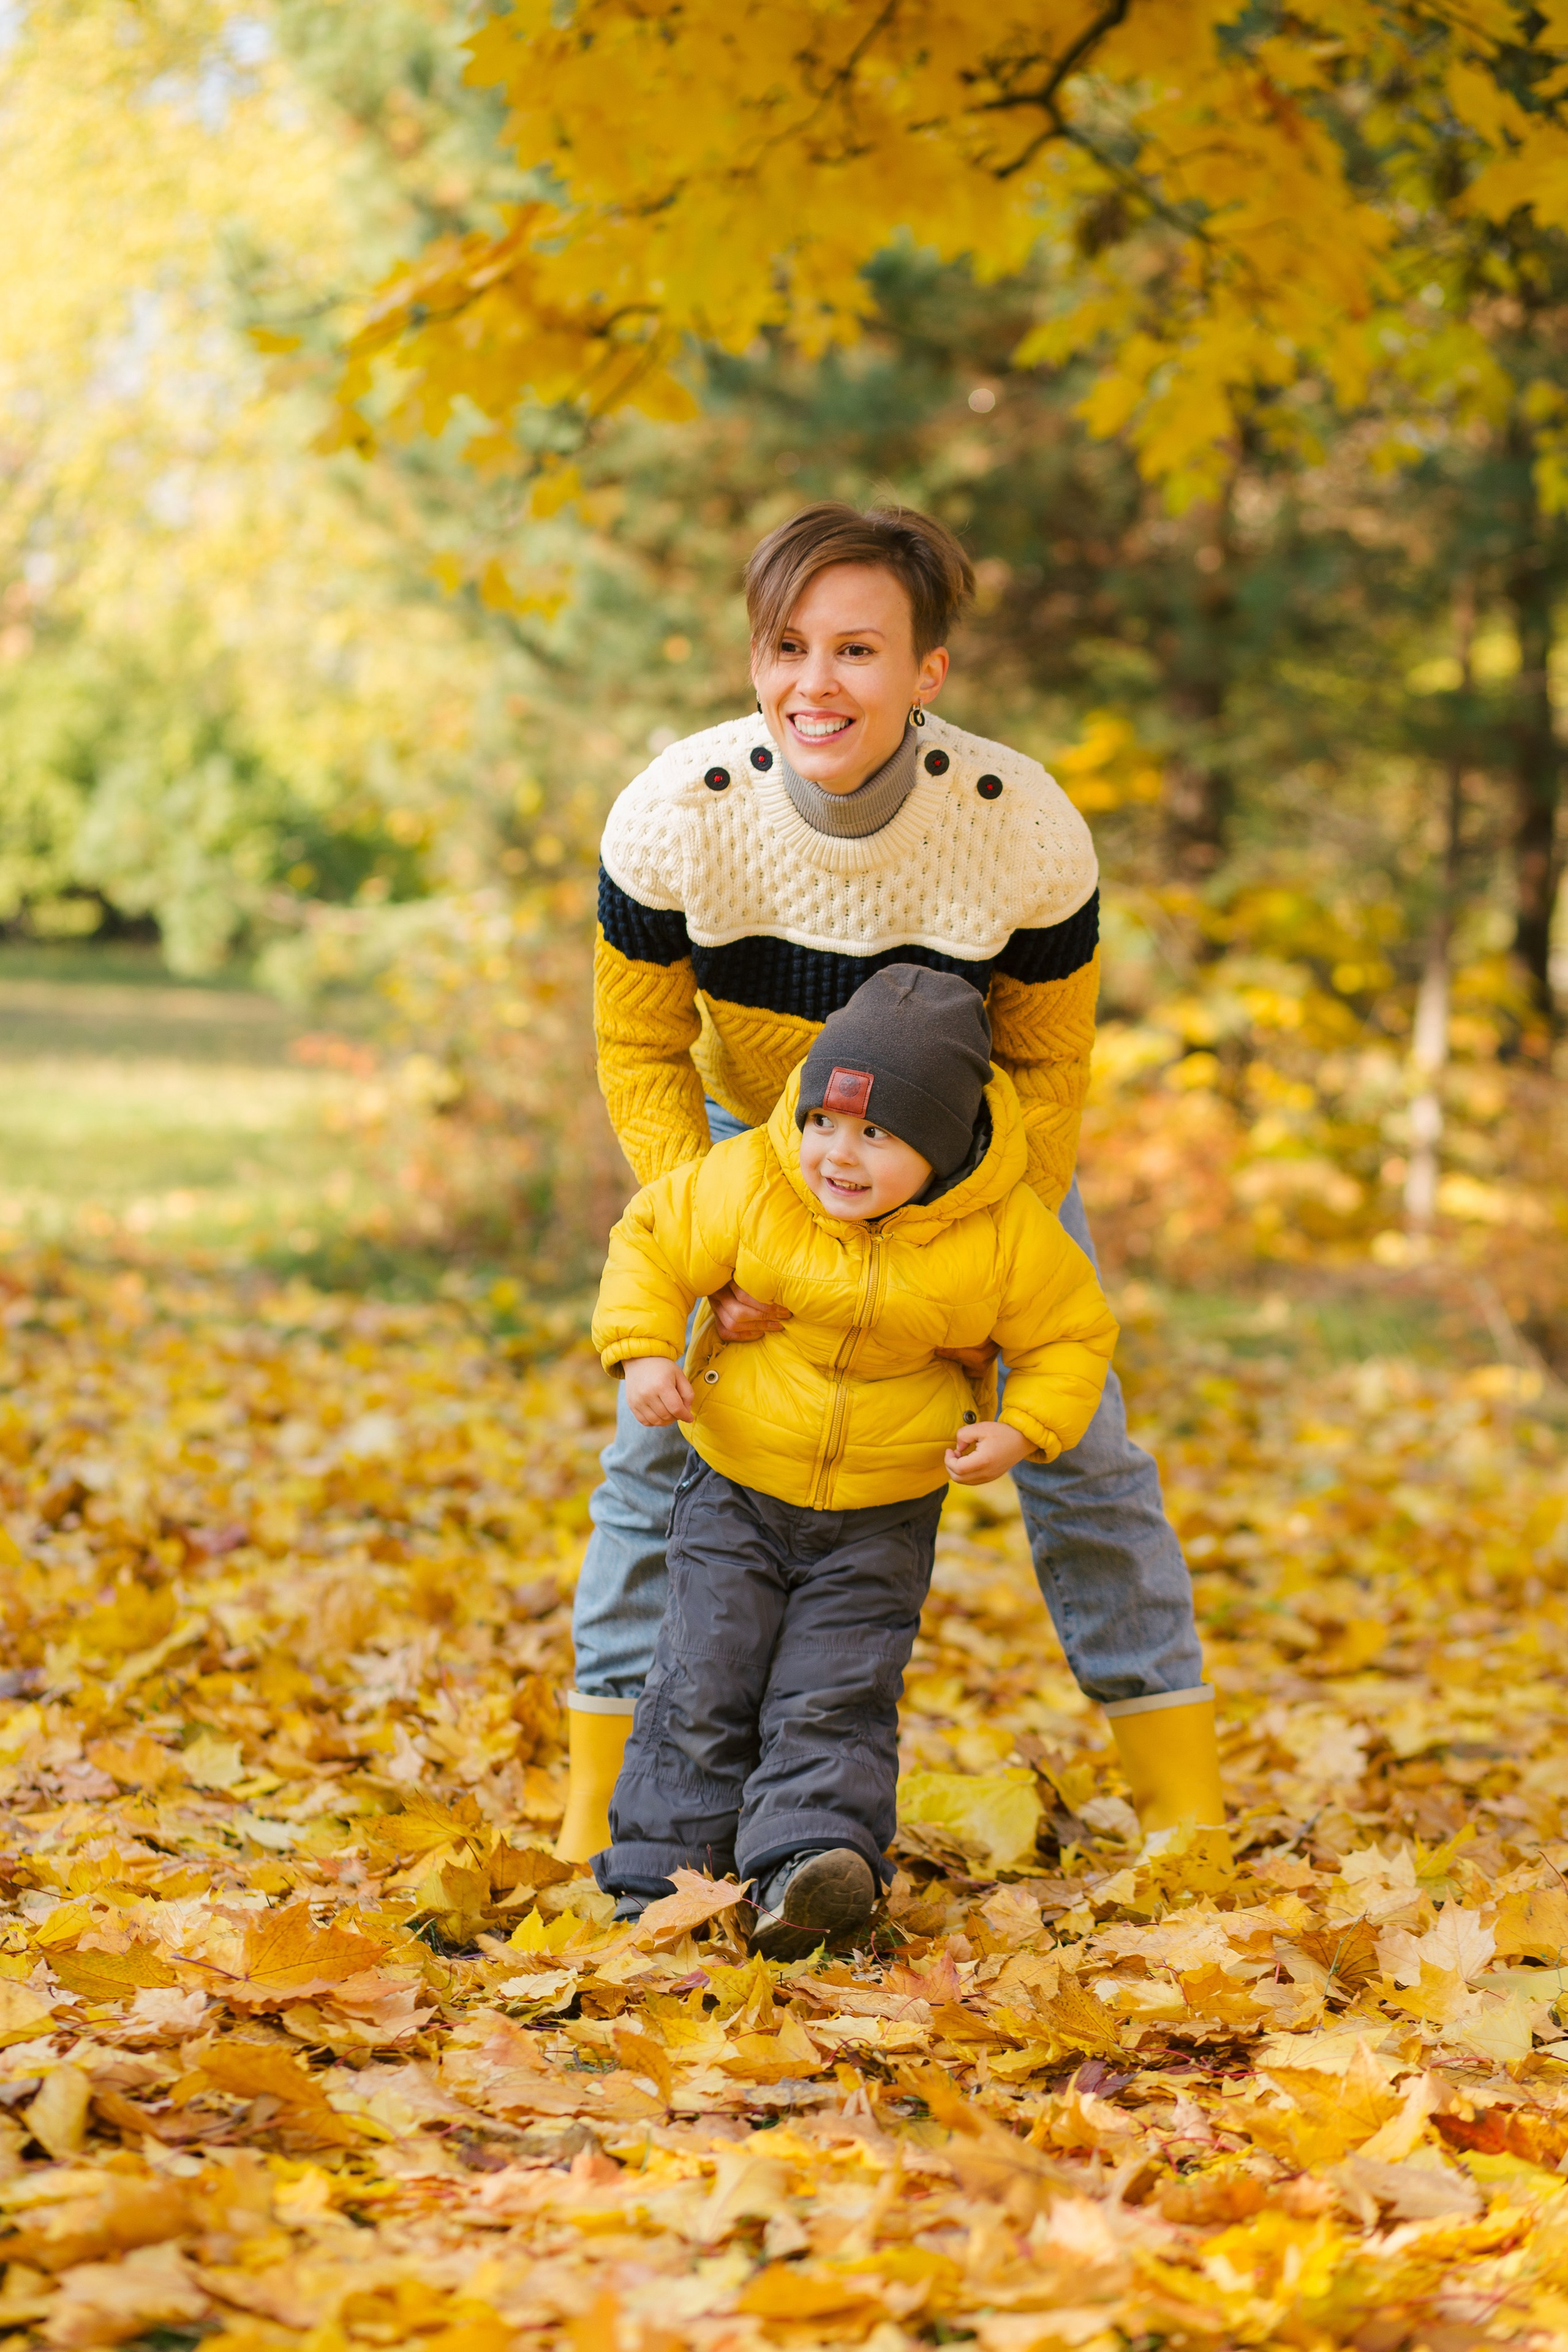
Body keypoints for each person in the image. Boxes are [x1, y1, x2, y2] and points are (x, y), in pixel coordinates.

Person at [557, 499, 1224, 1864]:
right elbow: (638, 1048)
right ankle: (594, 1818)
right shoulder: (675, 815)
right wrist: (715, 1242)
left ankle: (1184, 1812)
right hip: (749, 1148)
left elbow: (1046, 1067)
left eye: (856, 650)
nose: (815, 683)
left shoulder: (1020, 828)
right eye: (787, 646)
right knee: (657, 1442)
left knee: (1085, 1450)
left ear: (927, 671)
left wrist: (988, 1256)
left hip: (972, 1169)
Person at [589, 967, 1118, 1954]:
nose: (838, 1152)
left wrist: (1022, 1428)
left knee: (837, 1691)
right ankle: (659, 1877)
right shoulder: (753, 1180)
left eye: (877, 1134)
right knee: (703, 1674)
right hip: (737, 1487)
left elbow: (1071, 1336)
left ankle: (808, 1868)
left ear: (943, 1146)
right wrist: (647, 1352)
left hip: (884, 1511)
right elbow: (652, 1240)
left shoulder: (1006, 1235)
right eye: (825, 1121)